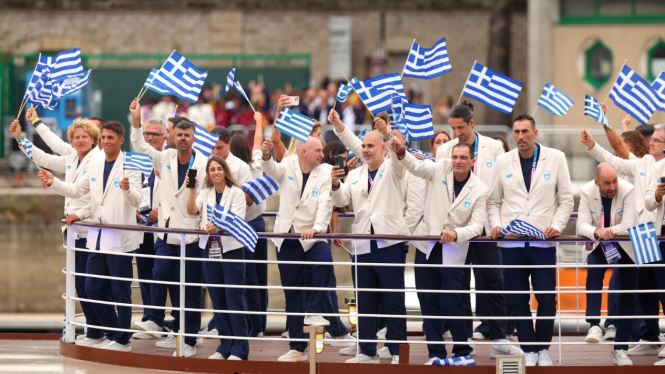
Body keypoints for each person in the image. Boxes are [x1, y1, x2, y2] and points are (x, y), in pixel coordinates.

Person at [39, 121, 143, 352]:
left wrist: (127, 189)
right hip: (97, 237)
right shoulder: (95, 166)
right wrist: (53, 181)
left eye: (110, 138)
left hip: (119, 238)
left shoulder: (130, 165)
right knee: (91, 286)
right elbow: (77, 191)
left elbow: (138, 200)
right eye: (104, 137)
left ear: (120, 141)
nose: (106, 141)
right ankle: (112, 330)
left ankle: (123, 340)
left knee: (120, 291)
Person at [10, 117, 104, 347]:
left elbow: (94, 197)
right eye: (77, 137)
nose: (80, 140)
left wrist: (55, 185)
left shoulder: (99, 160)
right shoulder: (72, 157)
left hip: (91, 228)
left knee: (91, 284)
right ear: (72, 140)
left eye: (85, 137)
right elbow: (44, 157)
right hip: (74, 230)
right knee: (80, 284)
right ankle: (95, 330)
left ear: (93, 140)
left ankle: (99, 330)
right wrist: (20, 138)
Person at [392, 140, 488, 364]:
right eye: (455, 157)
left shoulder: (480, 189)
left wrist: (456, 233)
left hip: (453, 250)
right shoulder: (440, 167)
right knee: (427, 300)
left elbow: (477, 226)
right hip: (428, 247)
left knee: (452, 301)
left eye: (463, 158)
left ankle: (462, 351)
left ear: (472, 162)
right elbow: (416, 167)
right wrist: (399, 150)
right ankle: (435, 353)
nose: (458, 161)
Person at [488, 114, 573, 367]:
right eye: (516, 132)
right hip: (511, 241)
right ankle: (529, 348)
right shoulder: (503, 161)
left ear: (535, 133)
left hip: (542, 241)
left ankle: (543, 347)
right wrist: (495, 225)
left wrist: (557, 226)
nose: (520, 137)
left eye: (525, 131)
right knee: (516, 298)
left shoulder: (555, 158)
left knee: (546, 296)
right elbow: (493, 201)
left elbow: (566, 199)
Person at [129, 99, 208, 357]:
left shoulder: (204, 164)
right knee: (159, 269)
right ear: (172, 137)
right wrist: (136, 120)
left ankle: (189, 340)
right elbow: (140, 144)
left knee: (191, 291)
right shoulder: (165, 157)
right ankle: (154, 317)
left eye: (187, 135)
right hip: (166, 231)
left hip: (193, 234)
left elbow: (206, 197)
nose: (182, 138)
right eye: (179, 135)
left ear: (194, 137)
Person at [330, 116, 409, 365]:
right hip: (363, 242)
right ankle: (367, 350)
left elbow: (399, 158)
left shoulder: (394, 168)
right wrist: (335, 183)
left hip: (389, 243)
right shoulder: (355, 174)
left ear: (383, 148)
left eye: (370, 146)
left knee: (393, 298)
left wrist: (386, 133)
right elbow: (342, 200)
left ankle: (397, 350)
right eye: (363, 146)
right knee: (364, 298)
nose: (364, 150)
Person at [436, 102, 513, 353]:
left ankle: (500, 338)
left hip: (487, 226)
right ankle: (464, 338)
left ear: (472, 123)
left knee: (494, 281)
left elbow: (499, 191)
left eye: (461, 127)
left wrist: (499, 222)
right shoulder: (445, 151)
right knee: (459, 285)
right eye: (453, 128)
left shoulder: (494, 147)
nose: (457, 132)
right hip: (456, 229)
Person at [261, 136, 334, 362]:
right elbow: (271, 169)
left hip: (314, 236)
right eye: (318, 150)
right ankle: (297, 347)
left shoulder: (325, 171)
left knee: (324, 264)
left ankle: (313, 310)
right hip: (288, 237)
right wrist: (265, 154)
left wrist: (318, 228)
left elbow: (325, 203)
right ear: (304, 152)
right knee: (292, 294)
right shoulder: (288, 164)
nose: (322, 154)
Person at [186, 156, 249, 360]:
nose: (215, 172)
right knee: (218, 300)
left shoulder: (237, 193)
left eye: (219, 169)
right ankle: (225, 346)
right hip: (210, 250)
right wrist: (192, 189)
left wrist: (219, 228)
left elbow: (238, 221)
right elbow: (191, 211)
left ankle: (240, 348)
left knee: (234, 300)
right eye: (212, 169)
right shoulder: (206, 193)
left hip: (231, 251)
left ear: (225, 171)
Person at [577, 163, 638, 366]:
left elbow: (629, 225)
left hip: (626, 244)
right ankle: (594, 324)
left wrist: (607, 231)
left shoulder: (628, 190)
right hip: (600, 244)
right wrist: (597, 232)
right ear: (596, 182)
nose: (612, 186)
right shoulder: (586, 191)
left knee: (628, 293)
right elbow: (581, 225)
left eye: (614, 181)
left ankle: (621, 348)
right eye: (607, 183)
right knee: (593, 273)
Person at [228, 112, 269, 337]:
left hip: (243, 225)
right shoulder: (256, 162)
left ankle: (249, 325)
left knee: (245, 276)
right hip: (258, 224)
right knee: (259, 276)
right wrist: (259, 121)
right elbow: (258, 141)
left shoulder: (234, 170)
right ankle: (258, 325)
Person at [132, 118, 167, 340]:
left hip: (164, 228)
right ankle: (149, 318)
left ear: (165, 136)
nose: (150, 138)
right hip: (142, 225)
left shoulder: (169, 159)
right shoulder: (137, 161)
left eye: (155, 134)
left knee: (163, 274)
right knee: (144, 274)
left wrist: (160, 208)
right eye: (147, 134)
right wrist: (131, 208)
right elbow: (129, 187)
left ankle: (163, 320)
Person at [637, 155, 665, 366]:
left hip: (652, 233)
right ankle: (649, 337)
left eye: (658, 140)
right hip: (649, 233)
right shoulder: (657, 166)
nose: (653, 144)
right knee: (645, 287)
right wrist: (656, 195)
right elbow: (648, 203)